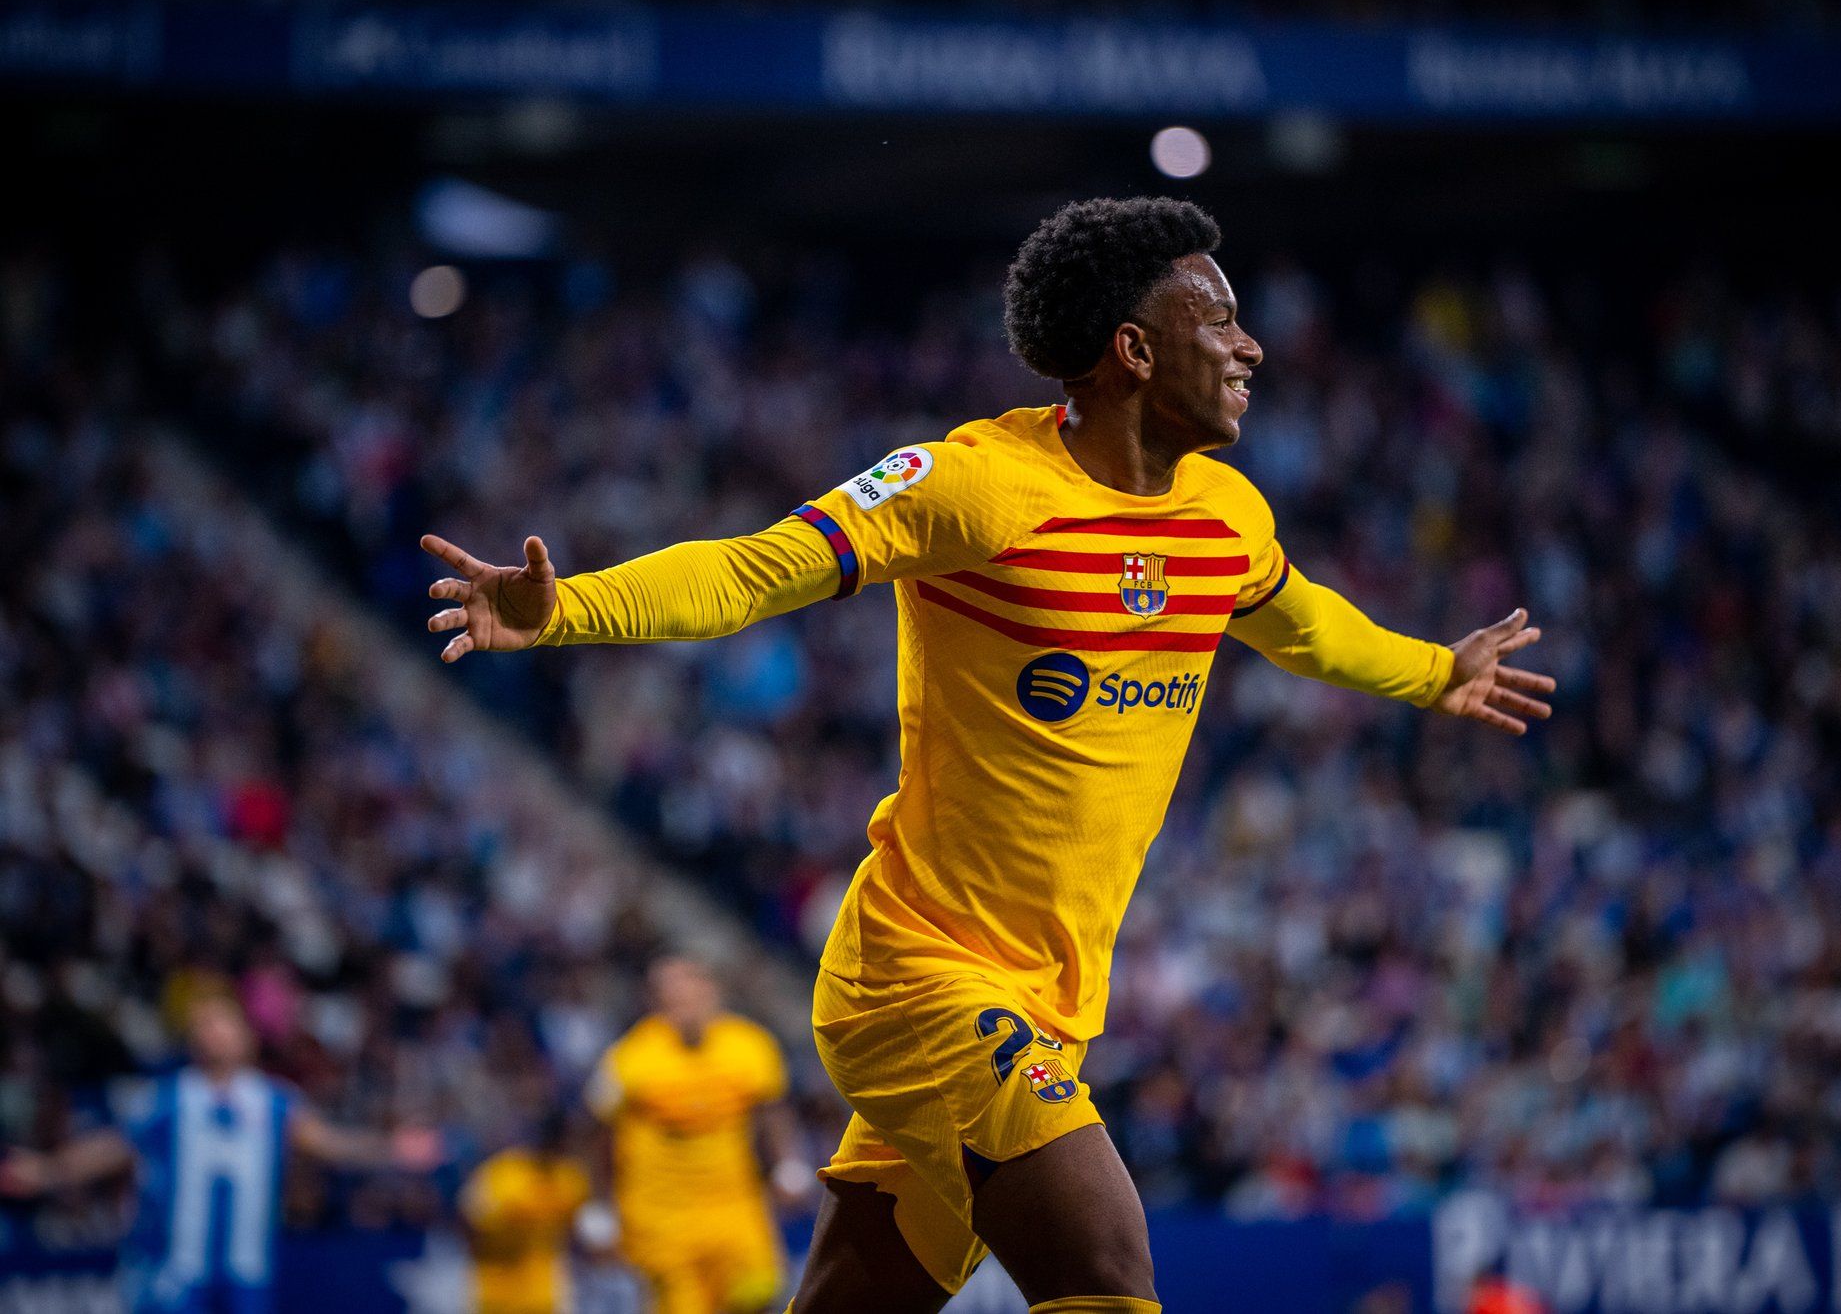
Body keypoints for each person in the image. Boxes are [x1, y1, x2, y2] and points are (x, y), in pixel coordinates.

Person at [420, 196, 1554, 1314]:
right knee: (1104, 1269)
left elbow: (1305, 625)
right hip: (916, 981)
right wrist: (563, 610)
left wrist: (1432, 672)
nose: (1251, 344)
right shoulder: (972, 487)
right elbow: (753, 570)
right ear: (1134, 350)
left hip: (1042, 1000)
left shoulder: (1225, 517)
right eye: (1221, 322)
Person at [0, 993, 441, 1314]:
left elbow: (328, 1144)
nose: (212, 1032)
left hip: (246, 1272)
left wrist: (391, 1149)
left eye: (221, 1021)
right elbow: (113, 1147)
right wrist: (48, 1171)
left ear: (246, 1035)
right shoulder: (171, 1099)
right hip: (175, 1272)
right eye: (203, 1024)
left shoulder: (272, 1102)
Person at [584, 955, 805, 1314]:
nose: (684, 1006)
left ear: (712, 992)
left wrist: (787, 1164)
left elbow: (771, 1109)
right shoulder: (630, 1060)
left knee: (760, 1293)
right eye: (671, 998)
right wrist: (598, 1209)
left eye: (690, 993)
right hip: (661, 1216)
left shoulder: (749, 1046)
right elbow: (596, 1135)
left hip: (734, 1204)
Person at [460, 1106, 593, 1314]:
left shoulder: (570, 1179)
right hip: (497, 1291)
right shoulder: (503, 1173)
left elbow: (574, 1234)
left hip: (543, 1294)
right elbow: (468, 1222)